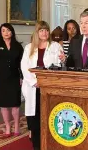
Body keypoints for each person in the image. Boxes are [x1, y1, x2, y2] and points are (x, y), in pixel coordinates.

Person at [21, 21, 65, 150]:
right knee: (35, 120)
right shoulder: (29, 47)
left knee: (49, 117)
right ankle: (37, 145)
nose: (44, 33)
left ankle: (50, 144)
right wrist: (34, 82)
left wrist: (63, 60)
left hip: (49, 88)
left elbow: (61, 66)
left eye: (46, 30)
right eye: (41, 31)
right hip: (33, 88)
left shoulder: (55, 46)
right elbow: (24, 67)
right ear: (37, 32)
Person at [0, 23, 24, 136]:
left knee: (15, 104)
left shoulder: (18, 46)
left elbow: (22, 64)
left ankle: (17, 126)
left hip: (14, 78)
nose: (6, 33)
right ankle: (8, 127)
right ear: (1, 33)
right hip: (1, 79)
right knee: (3, 104)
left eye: (8, 30)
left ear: (12, 32)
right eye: (3, 30)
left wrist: (22, 77)